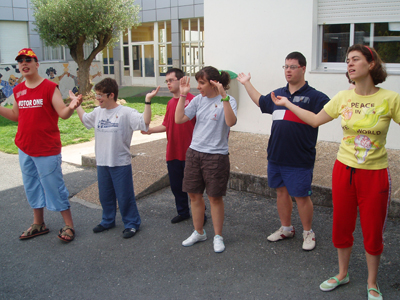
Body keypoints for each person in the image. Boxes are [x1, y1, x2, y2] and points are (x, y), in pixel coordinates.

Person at [271, 44, 400, 300]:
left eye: (355, 59)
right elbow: (315, 119)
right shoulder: (343, 97)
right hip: (343, 171)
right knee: (342, 225)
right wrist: (287, 103)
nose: (349, 64)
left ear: (371, 64)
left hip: (374, 173)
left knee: (372, 229)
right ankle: (342, 274)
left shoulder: (390, 98)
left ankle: (372, 282)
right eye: (347, 60)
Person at [237, 52, 329, 251]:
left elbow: (331, 111)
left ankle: (307, 232)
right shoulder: (278, 93)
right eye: (285, 66)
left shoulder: (315, 97)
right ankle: (286, 228)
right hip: (276, 155)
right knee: (281, 192)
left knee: (302, 196)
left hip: (300, 157)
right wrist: (246, 84)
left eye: (293, 66)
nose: (288, 70)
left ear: (303, 69)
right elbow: (261, 101)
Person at [0, 48, 82, 242]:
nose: (24, 63)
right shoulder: (18, 90)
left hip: (46, 148)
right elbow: (15, 116)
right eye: (20, 61)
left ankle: (69, 225)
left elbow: (62, 113)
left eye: (28, 60)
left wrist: (71, 107)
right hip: (24, 147)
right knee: (31, 186)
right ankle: (39, 224)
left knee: (54, 186)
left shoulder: (49, 87)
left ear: (37, 65)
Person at [75, 78, 152, 239]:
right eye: (96, 95)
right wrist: (77, 105)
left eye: (100, 95)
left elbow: (144, 123)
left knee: (124, 196)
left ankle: (131, 223)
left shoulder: (126, 112)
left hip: (120, 162)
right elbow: (85, 120)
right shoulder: (98, 112)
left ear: (111, 95)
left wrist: (147, 102)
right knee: (105, 195)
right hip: (102, 162)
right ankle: (107, 220)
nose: (97, 98)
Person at [175, 66, 237, 253]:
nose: (198, 87)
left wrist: (223, 95)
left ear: (213, 83)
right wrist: (183, 96)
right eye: (198, 83)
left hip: (216, 155)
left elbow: (231, 122)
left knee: (214, 197)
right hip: (195, 152)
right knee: (194, 194)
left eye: (201, 83)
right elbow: (179, 119)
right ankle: (199, 231)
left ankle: (218, 236)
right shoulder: (198, 100)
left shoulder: (229, 100)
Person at [141, 68, 207, 224]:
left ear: (181, 80)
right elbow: (166, 125)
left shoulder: (194, 100)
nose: (168, 83)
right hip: (173, 152)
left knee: (194, 189)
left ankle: (201, 215)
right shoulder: (170, 103)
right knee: (177, 187)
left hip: (191, 153)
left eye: (171, 80)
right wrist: (150, 130)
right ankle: (183, 212)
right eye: (167, 81)